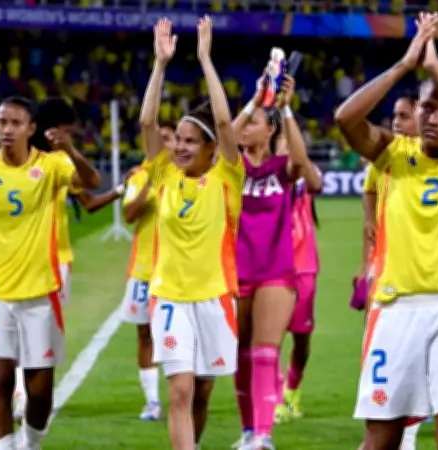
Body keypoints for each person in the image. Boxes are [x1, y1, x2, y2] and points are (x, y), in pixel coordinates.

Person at [336, 12, 438, 450]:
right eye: (428, 107)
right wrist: (406, 66)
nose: (434, 117)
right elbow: (346, 119)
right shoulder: (392, 152)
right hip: (394, 311)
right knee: (382, 437)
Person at [0, 95, 100, 450]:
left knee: (39, 390)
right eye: (1, 122)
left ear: (31, 129)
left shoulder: (51, 165)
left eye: (15, 123)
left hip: (41, 292)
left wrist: (72, 149)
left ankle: (31, 442)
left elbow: (91, 182)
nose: (7, 129)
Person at [140, 17, 243, 450]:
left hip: (216, 296)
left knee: (202, 390)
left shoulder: (227, 177)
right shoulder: (164, 174)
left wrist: (205, 59)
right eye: (176, 139)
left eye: (189, 141)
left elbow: (223, 122)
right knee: (179, 391)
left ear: (210, 149)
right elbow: (147, 123)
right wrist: (160, 66)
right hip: (169, 297)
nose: (179, 147)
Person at [230, 64, 321, 449]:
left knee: (267, 351)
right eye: (245, 122)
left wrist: (284, 109)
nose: (246, 127)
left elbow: (301, 162)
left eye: (254, 122)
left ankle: (264, 436)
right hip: (235, 271)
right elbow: (226, 136)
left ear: (269, 131)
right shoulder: (231, 168)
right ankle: (248, 430)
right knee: (241, 355)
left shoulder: (280, 170)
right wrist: (255, 98)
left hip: (276, 273)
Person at [11, 97, 118, 422]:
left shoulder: (59, 161)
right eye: (68, 131)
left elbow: (89, 196)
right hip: (24, 259)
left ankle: (28, 394)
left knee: (38, 330)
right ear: (52, 128)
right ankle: (21, 394)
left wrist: (122, 189)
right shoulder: (18, 159)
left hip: (52, 258)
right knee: (20, 328)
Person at [119, 121, 177, 421]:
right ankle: (153, 401)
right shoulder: (139, 176)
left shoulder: (187, 175)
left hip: (178, 271)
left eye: (169, 138)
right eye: (160, 138)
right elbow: (128, 214)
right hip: (143, 270)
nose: (165, 143)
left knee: (177, 336)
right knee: (145, 335)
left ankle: (181, 399)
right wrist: (150, 184)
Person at [353, 95, 418, 314]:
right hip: (386, 258)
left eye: (404, 116)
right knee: (374, 320)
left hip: (422, 260)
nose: (396, 122)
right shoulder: (383, 157)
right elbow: (370, 190)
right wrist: (371, 217)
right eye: (395, 116)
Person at [274, 137, 322, 424]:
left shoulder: (304, 176)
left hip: (303, 267)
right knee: (272, 338)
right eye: (283, 146)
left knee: (301, 339)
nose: (288, 150)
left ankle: (293, 390)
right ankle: (278, 398)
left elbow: (315, 183)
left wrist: (299, 159)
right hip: (273, 268)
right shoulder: (264, 177)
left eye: (293, 145)